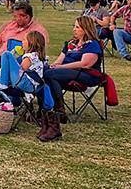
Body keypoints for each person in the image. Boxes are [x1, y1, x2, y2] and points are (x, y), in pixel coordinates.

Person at [40, 15, 104, 143]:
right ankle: (48, 111)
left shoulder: (92, 44)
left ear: (86, 29)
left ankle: (58, 111)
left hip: (86, 75)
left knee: (50, 74)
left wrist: (61, 67)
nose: (74, 29)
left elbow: (85, 64)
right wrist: (56, 65)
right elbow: (60, 58)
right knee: (45, 70)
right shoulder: (71, 43)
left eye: (77, 27)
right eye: (74, 26)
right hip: (66, 71)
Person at [0, 2, 49, 70]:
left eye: (18, 16)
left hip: (17, 63)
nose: (15, 19)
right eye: (15, 16)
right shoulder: (11, 25)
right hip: (1, 57)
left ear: (27, 17)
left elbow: (39, 53)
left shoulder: (37, 32)